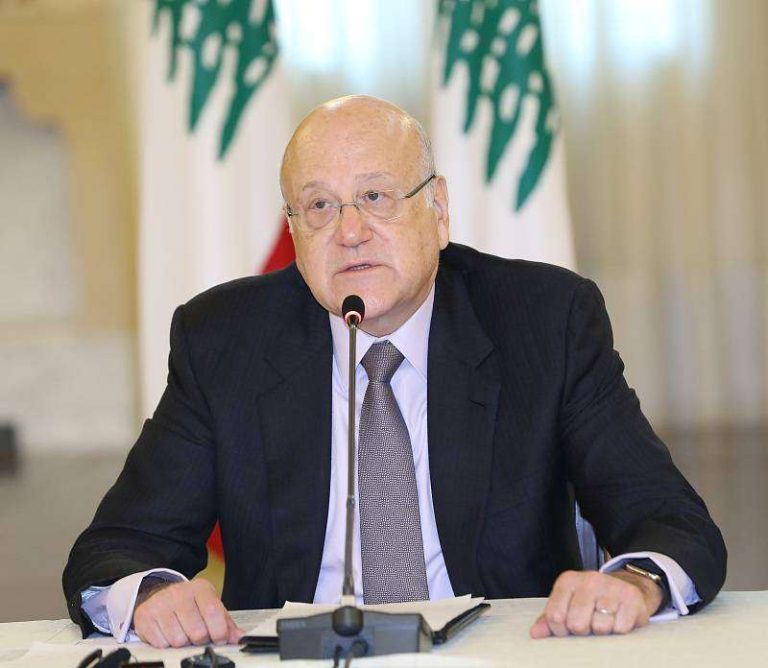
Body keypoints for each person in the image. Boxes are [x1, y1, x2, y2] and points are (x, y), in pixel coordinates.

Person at [63, 95, 726, 649]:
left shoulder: (544, 321)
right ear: (294, 230)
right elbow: (116, 549)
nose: (349, 231)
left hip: (500, 655)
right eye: (319, 206)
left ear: (438, 209)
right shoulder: (224, 340)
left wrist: (633, 583)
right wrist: (152, 593)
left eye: (375, 196)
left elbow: (671, 522)